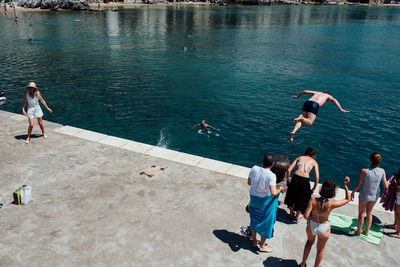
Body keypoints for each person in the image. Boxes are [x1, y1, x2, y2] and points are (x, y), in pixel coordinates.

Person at [300, 177, 351, 267]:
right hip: (324, 228)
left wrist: (309, 222)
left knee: (309, 243)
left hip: (312, 225)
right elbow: (348, 199)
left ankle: (303, 264)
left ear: (322, 189)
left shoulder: (313, 200)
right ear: (332, 192)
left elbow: (306, 215)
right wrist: (345, 185)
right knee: (321, 249)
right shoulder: (331, 204)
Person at [248, 155, 285, 252]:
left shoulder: (254, 168)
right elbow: (273, 193)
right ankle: (263, 246)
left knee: (254, 219)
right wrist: (280, 189)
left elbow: (249, 183)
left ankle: (255, 241)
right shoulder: (271, 175)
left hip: (254, 200)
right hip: (264, 203)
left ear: (263, 162)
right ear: (273, 164)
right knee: (266, 221)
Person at [351, 152, 389, 236]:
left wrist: (353, 192)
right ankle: (367, 232)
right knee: (369, 213)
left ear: (370, 161)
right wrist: (390, 182)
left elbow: (358, 185)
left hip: (364, 196)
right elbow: (386, 185)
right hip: (374, 196)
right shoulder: (382, 171)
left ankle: (358, 232)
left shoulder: (364, 171)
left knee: (361, 214)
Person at [284, 147, 319, 221]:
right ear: (313, 155)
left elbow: (289, 170)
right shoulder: (314, 162)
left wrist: (287, 181)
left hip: (295, 178)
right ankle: (297, 216)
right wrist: (314, 188)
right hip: (304, 181)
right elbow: (317, 178)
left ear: (305, 152)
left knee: (292, 196)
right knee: (302, 198)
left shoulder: (299, 158)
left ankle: (290, 214)